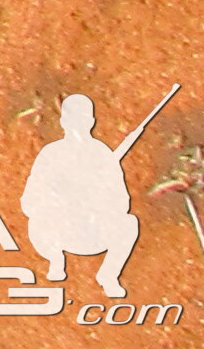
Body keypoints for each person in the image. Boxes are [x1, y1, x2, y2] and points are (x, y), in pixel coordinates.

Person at [22, 95, 142, 298]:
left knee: (129, 224)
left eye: (83, 119)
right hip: (60, 232)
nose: (78, 125)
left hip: (94, 233)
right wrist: (59, 199)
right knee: (36, 223)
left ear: (91, 121)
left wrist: (99, 198)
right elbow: (30, 200)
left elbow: (122, 201)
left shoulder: (102, 154)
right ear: (63, 121)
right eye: (73, 119)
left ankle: (108, 275)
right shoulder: (51, 154)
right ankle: (56, 261)